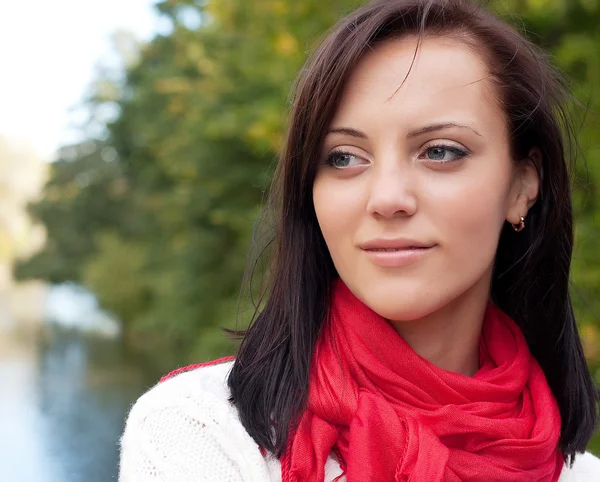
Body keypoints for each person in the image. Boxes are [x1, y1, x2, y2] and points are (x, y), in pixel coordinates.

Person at [118, 0, 600, 480]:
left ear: (522, 185)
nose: (388, 198)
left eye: (440, 151)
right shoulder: (200, 432)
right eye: (344, 158)